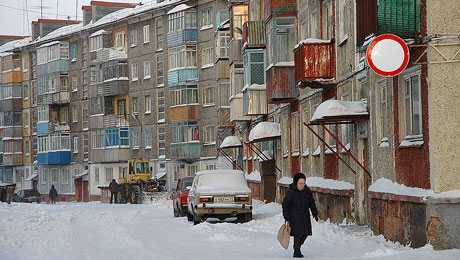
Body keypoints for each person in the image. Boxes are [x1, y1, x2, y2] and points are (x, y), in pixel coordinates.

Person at [282, 173, 319, 258]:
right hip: (294, 217)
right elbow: (285, 204)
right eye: (300, 183)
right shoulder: (291, 192)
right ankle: (297, 251)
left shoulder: (307, 191)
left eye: (304, 183)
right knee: (297, 234)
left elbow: (311, 203)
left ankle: (297, 246)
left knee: (305, 233)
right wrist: (287, 216)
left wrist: (315, 213)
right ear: (296, 183)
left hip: (305, 216)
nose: (302, 185)